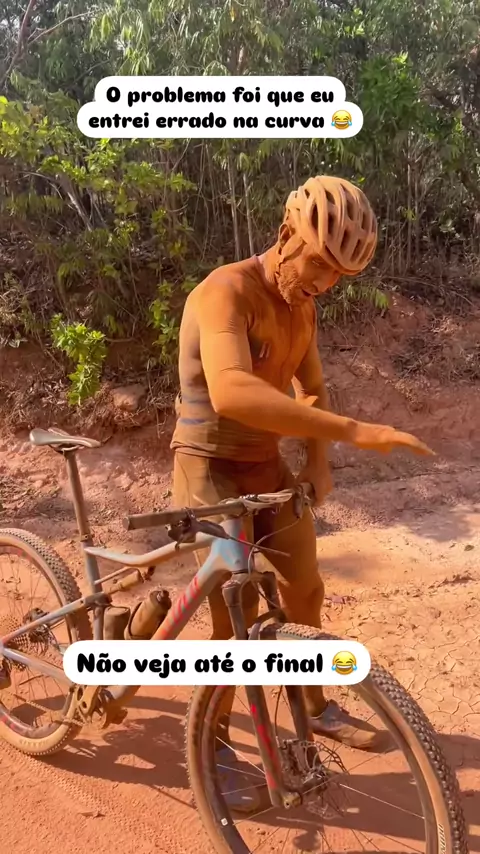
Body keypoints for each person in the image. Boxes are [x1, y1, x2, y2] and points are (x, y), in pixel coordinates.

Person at [171, 175, 433, 760]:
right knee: (233, 612)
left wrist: (318, 459)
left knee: (305, 589)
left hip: (264, 464)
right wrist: (352, 431)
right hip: (207, 464)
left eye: (338, 275)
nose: (323, 283)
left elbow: (311, 387)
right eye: (318, 264)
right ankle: (212, 742)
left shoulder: (302, 308)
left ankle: (313, 706)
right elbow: (232, 391)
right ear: (286, 233)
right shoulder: (225, 291)